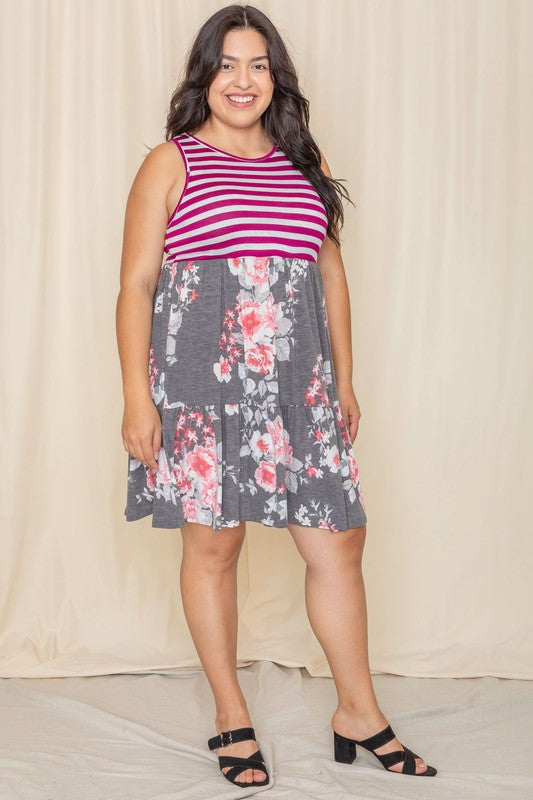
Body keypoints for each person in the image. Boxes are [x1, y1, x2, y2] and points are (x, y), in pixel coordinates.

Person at [116, 2, 437, 788]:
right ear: (205, 75)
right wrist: (136, 397)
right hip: (199, 384)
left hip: (298, 386)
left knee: (338, 541)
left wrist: (343, 378)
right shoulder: (172, 161)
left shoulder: (303, 164)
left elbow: (328, 274)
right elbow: (136, 285)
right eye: (227, 63)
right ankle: (230, 713)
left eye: (258, 64)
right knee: (214, 547)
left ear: (275, 79)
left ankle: (357, 710)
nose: (242, 79)